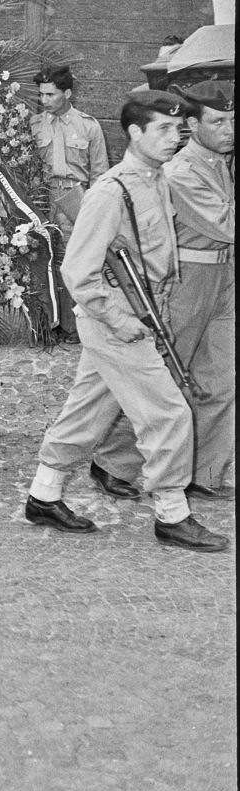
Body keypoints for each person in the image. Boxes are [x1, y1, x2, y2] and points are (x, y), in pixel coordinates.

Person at [24, 91, 229, 553]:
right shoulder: (110, 191)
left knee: (89, 411)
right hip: (119, 317)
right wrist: (118, 320)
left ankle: (44, 494)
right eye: (161, 129)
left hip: (143, 310)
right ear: (135, 133)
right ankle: (172, 514)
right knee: (170, 411)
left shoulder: (156, 180)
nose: (173, 138)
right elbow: (78, 271)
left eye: (177, 130)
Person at [163, 80, 234, 500]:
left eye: (232, 119)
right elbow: (225, 225)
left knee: (221, 382)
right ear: (192, 124)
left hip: (222, 280)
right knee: (165, 378)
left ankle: (204, 474)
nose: (230, 128)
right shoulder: (182, 171)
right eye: (219, 121)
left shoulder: (217, 161)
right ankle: (112, 462)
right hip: (188, 279)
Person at [31, 66, 109, 342]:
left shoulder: (88, 126)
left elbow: (100, 174)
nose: (44, 100)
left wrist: (94, 210)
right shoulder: (35, 124)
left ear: (67, 93)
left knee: (78, 261)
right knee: (46, 259)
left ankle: (78, 327)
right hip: (45, 198)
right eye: (41, 94)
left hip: (77, 198)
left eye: (50, 94)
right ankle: (51, 324)